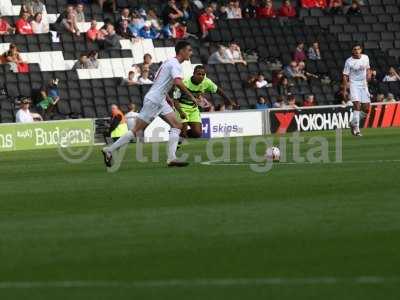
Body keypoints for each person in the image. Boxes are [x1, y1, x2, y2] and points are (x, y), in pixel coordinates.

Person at [102, 41, 198, 167]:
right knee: (136, 130)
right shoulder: (176, 65)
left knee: (177, 125)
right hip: (154, 100)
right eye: (189, 50)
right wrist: (191, 96)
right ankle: (109, 150)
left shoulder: (168, 62)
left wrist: (167, 97)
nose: (191, 53)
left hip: (160, 99)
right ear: (182, 51)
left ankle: (172, 158)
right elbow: (178, 82)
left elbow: (160, 81)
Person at [173, 64, 235, 138]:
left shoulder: (206, 82)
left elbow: (218, 91)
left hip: (193, 109)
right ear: (193, 74)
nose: (201, 76)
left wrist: (229, 101)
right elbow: (175, 100)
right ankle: (179, 135)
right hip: (181, 107)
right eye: (198, 74)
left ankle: (178, 134)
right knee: (183, 132)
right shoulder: (184, 82)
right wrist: (180, 112)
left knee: (197, 134)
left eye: (203, 74)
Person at [342, 44, 371, 136]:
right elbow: (345, 75)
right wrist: (345, 90)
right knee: (357, 106)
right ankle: (357, 130)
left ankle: (353, 122)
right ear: (352, 51)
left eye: (359, 49)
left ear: (361, 50)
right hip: (354, 84)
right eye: (355, 49)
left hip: (363, 84)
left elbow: (368, 68)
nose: (357, 51)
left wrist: (369, 74)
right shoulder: (349, 61)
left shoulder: (366, 57)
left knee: (366, 109)